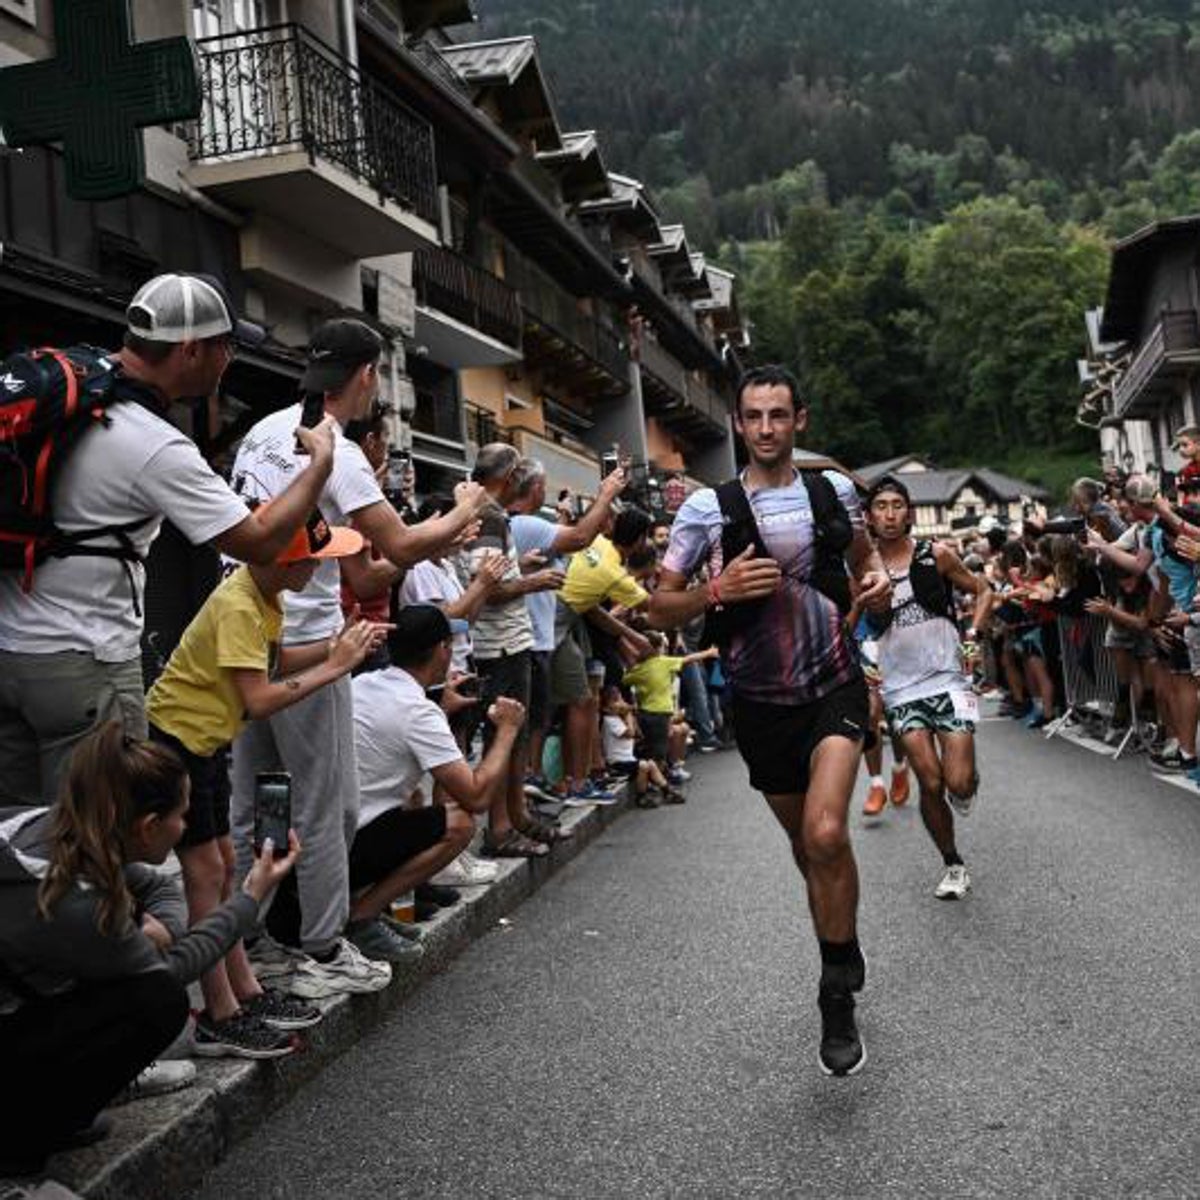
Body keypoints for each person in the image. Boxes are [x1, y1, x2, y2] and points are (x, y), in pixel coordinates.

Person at [0, 273, 338, 806]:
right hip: (86, 666)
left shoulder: (70, 391)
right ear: (191, 350)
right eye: (226, 347)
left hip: (11, 651)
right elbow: (260, 542)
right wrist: (320, 464)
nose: (230, 360)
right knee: (97, 840)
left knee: (21, 842)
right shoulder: (154, 443)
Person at [649, 364, 891, 1078]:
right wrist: (713, 590)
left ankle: (836, 984)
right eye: (753, 416)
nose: (765, 429)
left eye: (778, 416)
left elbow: (863, 555)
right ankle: (839, 935)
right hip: (758, 698)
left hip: (835, 682)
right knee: (807, 848)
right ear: (738, 423)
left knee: (825, 831)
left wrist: (873, 579)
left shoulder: (833, 492)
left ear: (799, 420)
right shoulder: (705, 511)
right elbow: (657, 607)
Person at [228, 319, 486, 986]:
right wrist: (464, 509)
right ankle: (318, 945)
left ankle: (245, 940)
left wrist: (427, 548)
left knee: (257, 798)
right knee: (325, 805)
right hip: (308, 646)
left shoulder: (262, 432)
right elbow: (397, 546)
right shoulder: (336, 452)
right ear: (368, 374)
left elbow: (367, 573)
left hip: (246, 636)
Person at [0, 722, 299, 1176]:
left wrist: (153, 925)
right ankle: (16, 1165)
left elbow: (155, 885)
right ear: (147, 827)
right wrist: (250, 897)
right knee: (155, 1004)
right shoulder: (74, 908)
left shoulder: (58, 825)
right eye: (181, 815)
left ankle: (42, 1114)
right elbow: (170, 971)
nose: (185, 826)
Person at [145, 509, 389, 1050]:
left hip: (202, 741)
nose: (320, 570)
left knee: (226, 864)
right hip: (176, 742)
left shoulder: (264, 596)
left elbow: (273, 662)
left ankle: (247, 991)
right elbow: (259, 700)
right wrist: (335, 666)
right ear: (286, 560)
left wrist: (340, 645)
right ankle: (219, 1011)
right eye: (313, 560)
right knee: (206, 874)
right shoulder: (239, 606)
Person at [328, 605, 529, 960]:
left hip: (327, 838)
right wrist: (508, 731)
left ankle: (375, 903)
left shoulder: (363, 683)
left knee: (415, 799)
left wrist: (439, 706)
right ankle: (362, 917)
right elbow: (477, 796)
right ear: (442, 650)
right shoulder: (418, 712)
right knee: (460, 824)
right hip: (351, 844)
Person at [864, 476, 992, 899]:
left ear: (910, 513)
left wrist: (972, 636)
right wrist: (860, 662)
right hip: (901, 689)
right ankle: (953, 863)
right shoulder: (863, 570)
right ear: (869, 515)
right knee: (930, 782)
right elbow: (846, 624)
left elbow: (983, 590)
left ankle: (968, 782)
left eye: (896, 505)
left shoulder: (935, 554)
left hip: (950, 679)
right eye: (880, 505)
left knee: (958, 783)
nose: (888, 513)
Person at [457, 444, 567, 858]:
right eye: (518, 468)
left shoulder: (487, 512)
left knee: (514, 734)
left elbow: (491, 572)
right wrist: (531, 582)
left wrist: (523, 565)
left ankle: (517, 816)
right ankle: (501, 828)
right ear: (508, 477)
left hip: (502, 642)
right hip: (498, 644)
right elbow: (487, 587)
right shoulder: (485, 514)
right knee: (503, 733)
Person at [506, 458, 628, 801]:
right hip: (536, 632)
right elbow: (579, 537)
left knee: (554, 708)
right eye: (542, 485)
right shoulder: (525, 523)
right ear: (533, 489)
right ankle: (551, 778)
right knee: (545, 711)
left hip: (548, 630)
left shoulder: (529, 523)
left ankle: (552, 779)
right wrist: (605, 495)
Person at [551, 506, 654, 803]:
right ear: (639, 541)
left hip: (565, 620)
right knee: (566, 703)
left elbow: (592, 607)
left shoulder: (596, 543)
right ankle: (575, 781)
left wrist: (631, 636)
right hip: (556, 622)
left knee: (580, 700)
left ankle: (577, 780)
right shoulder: (615, 575)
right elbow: (655, 609)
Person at [622, 633, 718, 785]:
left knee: (654, 747)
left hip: (644, 713)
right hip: (660, 714)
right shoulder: (663, 662)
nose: (665, 649)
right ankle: (660, 782)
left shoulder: (640, 668)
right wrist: (709, 653)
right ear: (657, 648)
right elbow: (689, 659)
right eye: (663, 646)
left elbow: (626, 680)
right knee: (659, 751)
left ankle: (662, 774)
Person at [600, 688, 680, 806]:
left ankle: (667, 790)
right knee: (643, 765)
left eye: (621, 699)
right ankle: (641, 796)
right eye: (616, 701)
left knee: (651, 763)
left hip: (629, 759)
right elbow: (630, 733)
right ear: (605, 708)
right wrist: (627, 715)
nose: (621, 703)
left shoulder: (620, 718)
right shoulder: (610, 720)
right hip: (616, 762)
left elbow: (638, 734)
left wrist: (631, 715)